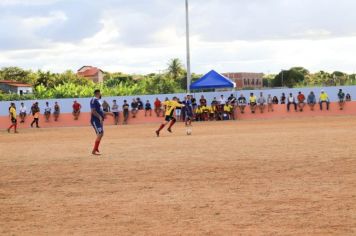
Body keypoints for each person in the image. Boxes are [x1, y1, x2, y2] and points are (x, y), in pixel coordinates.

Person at [90, 89, 106, 155]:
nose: (101, 94)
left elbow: (101, 111)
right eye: (100, 93)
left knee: (101, 134)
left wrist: (109, 113)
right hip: (95, 120)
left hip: (98, 120)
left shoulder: (98, 101)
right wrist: (99, 117)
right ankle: (94, 150)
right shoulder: (93, 100)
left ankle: (95, 149)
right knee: (100, 133)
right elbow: (93, 111)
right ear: (97, 93)